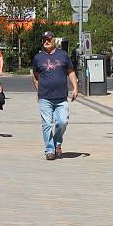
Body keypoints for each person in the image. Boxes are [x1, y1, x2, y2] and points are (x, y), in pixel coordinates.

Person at [32, 31, 79, 160]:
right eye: (44, 39)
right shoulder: (38, 57)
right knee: (47, 124)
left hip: (61, 97)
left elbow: (71, 72)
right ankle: (50, 150)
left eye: (49, 39)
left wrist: (75, 88)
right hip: (45, 97)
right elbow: (35, 76)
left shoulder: (63, 55)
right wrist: (39, 90)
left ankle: (57, 142)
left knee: (62, 121)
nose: (46, 41)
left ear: (54, 41)